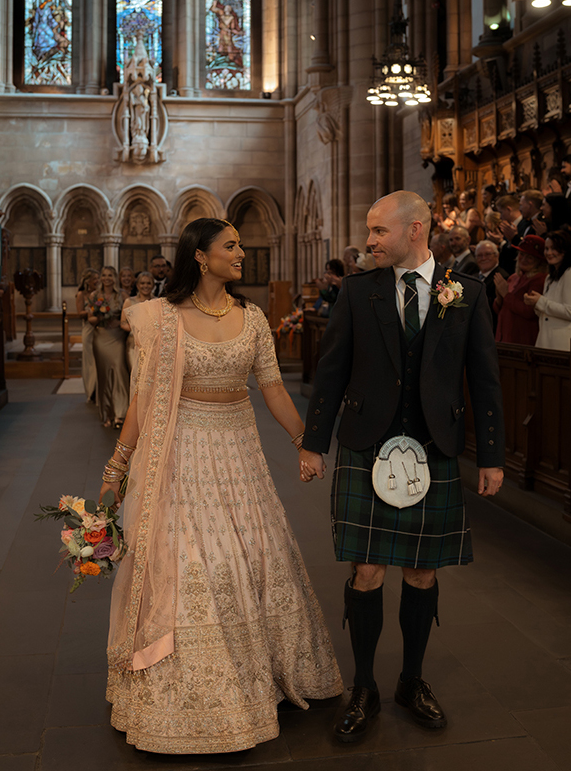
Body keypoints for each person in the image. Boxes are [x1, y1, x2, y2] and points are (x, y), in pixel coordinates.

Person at [103, 217, 343, 753]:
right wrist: (116, 469)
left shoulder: (252, 317)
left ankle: (262, 670)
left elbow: (274, 390)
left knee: (255, 555)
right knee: (191, 563)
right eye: (230, 246)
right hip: (180, 456)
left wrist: (305, 442)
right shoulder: (161, 318)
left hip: (240, 456)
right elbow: (143, 397)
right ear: (201, 256)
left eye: (238, 245)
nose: (240, 253)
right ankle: (197, 690)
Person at [299, 191, 505, 742]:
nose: (369, 241)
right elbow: (332, 371)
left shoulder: (466, 293)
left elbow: (484, 380)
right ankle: (364, 686)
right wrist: (313, 442)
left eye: (377, 232)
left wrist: (491, 455)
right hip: (367, 443)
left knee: (422, 570)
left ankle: (411, 680)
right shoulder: (358, 290)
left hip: (434, 448)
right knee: (366, 570)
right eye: (369, 232)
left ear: (414, 230)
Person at [526, 229, 571, 351]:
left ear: (565, 251)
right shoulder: (550, 277)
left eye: (554, 248)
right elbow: (548, 311)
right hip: (546, 340)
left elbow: (570, 311)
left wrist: (540, 301)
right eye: (546, 249)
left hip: (563, 343)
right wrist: (535, 302)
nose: (549, 252)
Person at [88, 266, 130, 429]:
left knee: (120, 372)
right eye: (104, 275)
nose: (107, 278)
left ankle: (121, 414)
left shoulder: (122, 295)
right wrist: (98, 316)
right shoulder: (94, 296)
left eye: (110, 275)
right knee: (104, 376)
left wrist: (120, 322)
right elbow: (90, 319)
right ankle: (107, 414)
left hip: (118, 337)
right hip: (101, 336)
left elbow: (129, 317)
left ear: (115, 278)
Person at [494, 234, 547, 345]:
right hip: (504, 338)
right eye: (522, 254)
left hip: (521, 341)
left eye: (530, 257)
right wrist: (499, 296)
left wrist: (505, 294)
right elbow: (500, 310)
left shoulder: (539, 280)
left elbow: (529, 312)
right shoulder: (514, 277)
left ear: (539, 261)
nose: (524, 259)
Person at [120, 270, 155, 370]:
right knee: (136, 375)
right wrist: (137, 330)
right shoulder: (129, 301)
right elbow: (123, 323)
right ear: (138, 285)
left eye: (148, 283)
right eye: (142, 283)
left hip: (152, 345)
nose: (145, 286)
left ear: (153, 285)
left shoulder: (157, 302)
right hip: (134, 344)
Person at [75, 268, 100, 404]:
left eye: (98, 278)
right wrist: (93, 310)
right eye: (94, 279)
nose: (97, 281)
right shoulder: (81, 294)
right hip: (88, 329)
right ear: (87, 281)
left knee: (99, 361)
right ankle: (91, 391)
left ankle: (99, 389)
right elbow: (79, 313)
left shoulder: (99, 294)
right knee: (90, 361)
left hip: (100, 328)